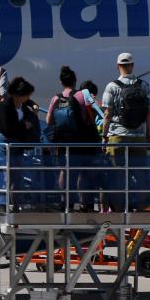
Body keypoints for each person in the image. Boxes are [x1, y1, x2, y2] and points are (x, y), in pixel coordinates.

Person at [101, 52, 150, 211]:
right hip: (138, 138)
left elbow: (107, 114)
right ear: (132, 66)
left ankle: (117, 212)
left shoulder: (112, 86)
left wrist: (104, 136)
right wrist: (149, 134)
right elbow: (149, 113)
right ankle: (140, 210)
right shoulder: (143, 86)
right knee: (140, 175)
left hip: (117, 137)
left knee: (116, 175)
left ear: (118, 66)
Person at [45, 66, 101, 211]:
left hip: (63, 143)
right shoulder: (82, 95)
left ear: (61, 82)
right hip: (82, 141)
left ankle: (66, 203)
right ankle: (85, 203)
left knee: (65, 171)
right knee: (84, 172)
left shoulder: (55, 98)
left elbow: (48, 120)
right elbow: (98, 111)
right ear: (75, 81)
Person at [0, 77, 43, 208]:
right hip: (6, 142)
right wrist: (24, 125)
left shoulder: (22, 103)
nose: (29, 97)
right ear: (20, 94)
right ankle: (6, 205)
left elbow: (30, 102)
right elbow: (7, 128)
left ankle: (15, 205)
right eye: (27, 95)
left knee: (17, 175)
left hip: (17, 142)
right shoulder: (6, 105)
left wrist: (33, 106)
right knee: (8, 175)